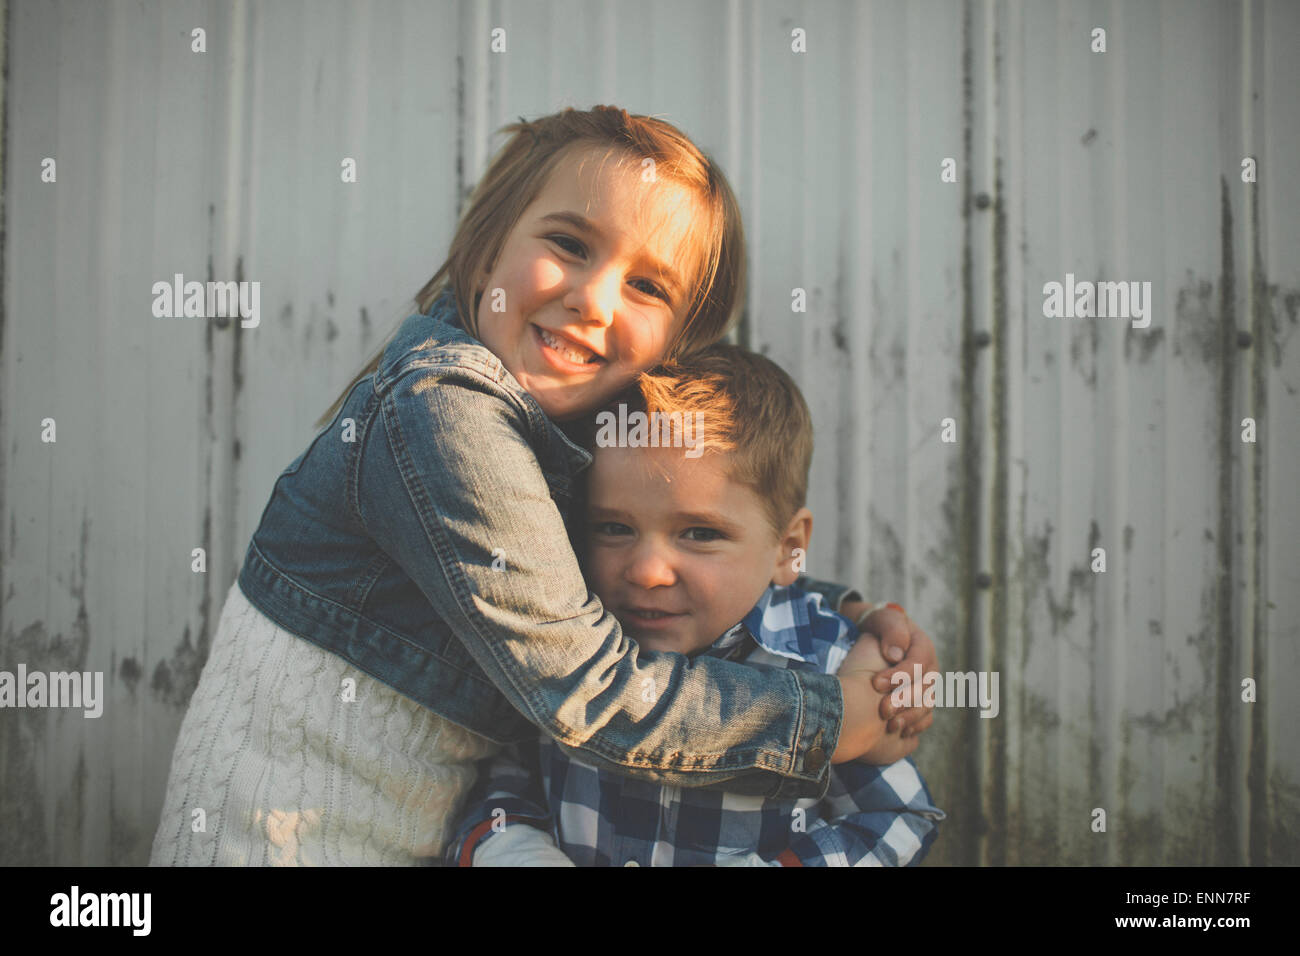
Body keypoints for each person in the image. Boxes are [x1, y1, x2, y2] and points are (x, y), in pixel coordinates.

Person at [149, 106, 938, 866]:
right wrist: (840, 716)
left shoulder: (566, 432)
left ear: (678, 346)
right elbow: (594, 699)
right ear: (489, 247)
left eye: (648, 287)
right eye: (569, 242)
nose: (592, 299)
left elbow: (697, 558)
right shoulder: (443, 411)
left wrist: (849, 619)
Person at [449, 345, 944, 866]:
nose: (646, 571)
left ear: (788, 547)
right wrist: (516, 849)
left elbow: (900, 814)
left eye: (699, 533)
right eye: (614, 527)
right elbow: (504, 768)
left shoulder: (830, 665)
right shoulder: (565, 638)